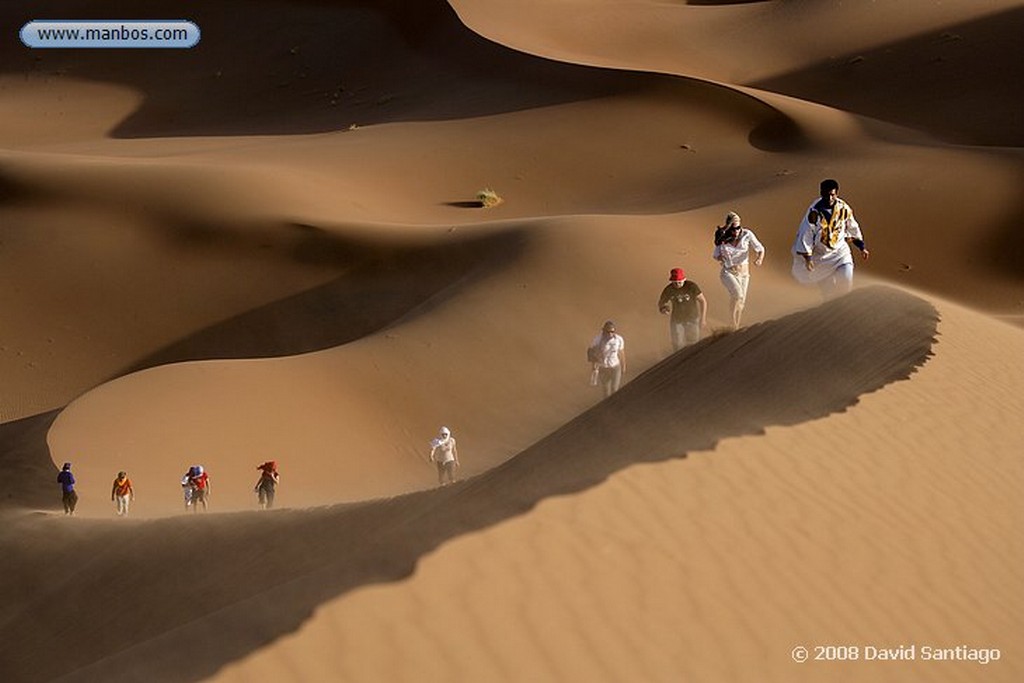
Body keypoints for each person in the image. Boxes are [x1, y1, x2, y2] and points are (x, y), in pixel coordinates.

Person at [792, 178, 870, 298]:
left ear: (836, 194)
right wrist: (808, 259)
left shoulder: (843, 208)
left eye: (832, 195)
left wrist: (862, 247)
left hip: (840, 253)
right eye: (826, 195)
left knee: (846, 280)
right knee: (827, 292)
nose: (829, 198)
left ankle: (845, 306)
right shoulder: (813, 213)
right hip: (820, 257)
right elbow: (806, 235)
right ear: (821, 193)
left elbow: (852, 226)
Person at [712, 212, 765, 328]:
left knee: (741, 302)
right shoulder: (722, 238)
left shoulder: (747, 234)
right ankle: (733, 323)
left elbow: (760, 249)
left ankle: (737, 324)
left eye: (738, 228)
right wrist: (722, 258)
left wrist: (759, 259)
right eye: (733, 228)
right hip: (728, 272)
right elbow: (715, 255)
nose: (736, 231)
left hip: (744, 275)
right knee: (737, 294)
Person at [658, 268, 707, 351]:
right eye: (675, 282)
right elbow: (661, 303)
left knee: (693, 343)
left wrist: (703, 319)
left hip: (692, 318)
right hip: (677, 320)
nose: (677, 284)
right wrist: (663, 309)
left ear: (684, 279)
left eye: (679, 282)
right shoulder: (669, 290)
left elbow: (703, 301)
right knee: (677, 344)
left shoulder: (691, 286)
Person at [588, 320, 626, 397]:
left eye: (612, 331)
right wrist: (594, 367)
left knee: (615, 389)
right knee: (606, 391)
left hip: (615, 367)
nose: (610, 334)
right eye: (608, 332)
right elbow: (592, 353)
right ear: (603, 331)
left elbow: (622, 353)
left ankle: (615, 406)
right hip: (603, 368)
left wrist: (624, 366)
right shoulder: (597, 340)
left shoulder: (619, 339)